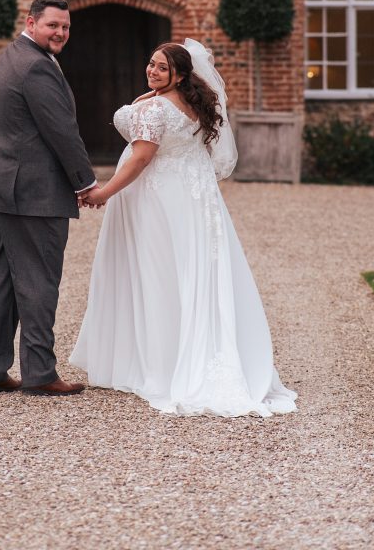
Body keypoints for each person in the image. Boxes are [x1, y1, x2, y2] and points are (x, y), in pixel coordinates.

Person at [71, 39, 297, 418]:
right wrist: (153, 93)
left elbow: (141, 158)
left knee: (156, 275)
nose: (152, 70)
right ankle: (182, 353)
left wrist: (105, 192)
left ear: (179, 74)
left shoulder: (158, 108)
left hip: (156, 200)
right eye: (151, 63)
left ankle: (158, 365)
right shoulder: (193, 105)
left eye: (161, 67)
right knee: (187, 273)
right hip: (191, 200)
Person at [0, 0, 97, 397]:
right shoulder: (36, 68)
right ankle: (40, 372)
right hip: (31, 192)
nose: (60, 32)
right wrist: (85, 183)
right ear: (31, 23)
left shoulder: (10, 56)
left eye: (65, 27)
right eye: (52, 25)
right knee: (39, 280)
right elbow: (62, 132)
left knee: (3, 278)